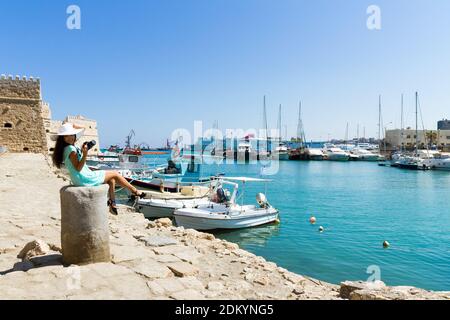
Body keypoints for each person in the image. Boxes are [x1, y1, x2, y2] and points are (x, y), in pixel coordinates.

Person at [52, 123, 145, 215]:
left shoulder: (67, 148)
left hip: (79, 177)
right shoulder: (71, 149)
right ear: (62, 138)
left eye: (71, 135)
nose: (70, 137)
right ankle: (135, 191)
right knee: (115, 174)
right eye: (66, 136)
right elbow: (78, 168)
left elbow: (83, 129)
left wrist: (73, 126)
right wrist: (85, 154)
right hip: (83, 178)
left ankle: (112, 203)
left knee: (111, 180)